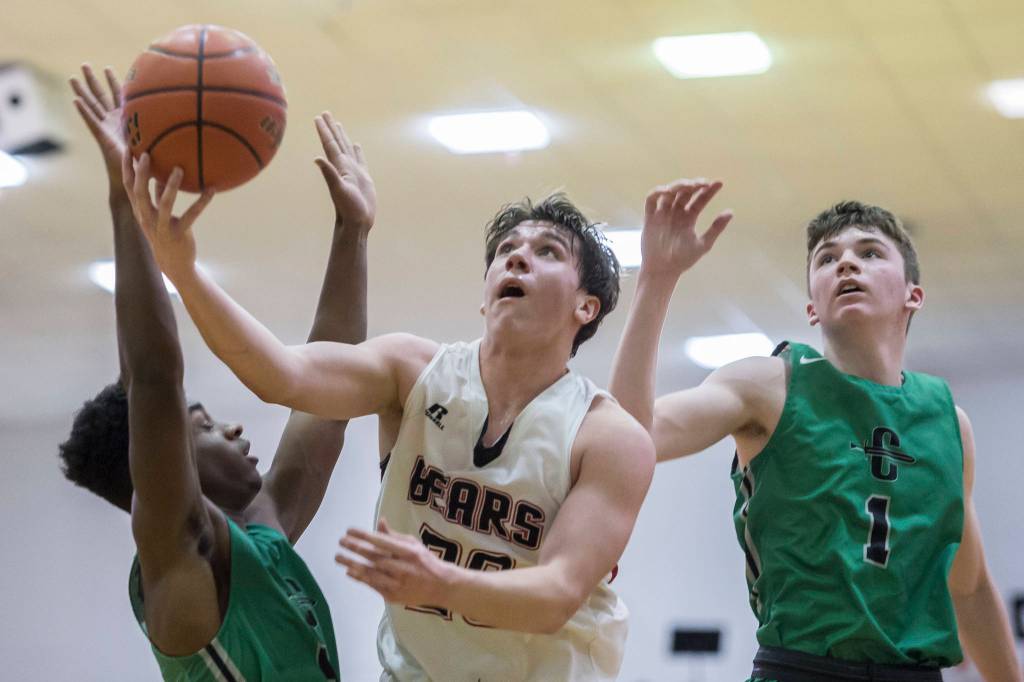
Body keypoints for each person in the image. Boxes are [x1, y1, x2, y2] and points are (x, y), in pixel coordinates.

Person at [124, 153, 656, 680]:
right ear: (485, 293)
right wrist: (185, 273)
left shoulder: (608, 437)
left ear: (586, 307)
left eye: (547, 252)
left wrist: (440, 584)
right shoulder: (412, 371)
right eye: (506, 250)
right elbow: (281, 374)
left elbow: (556, 595)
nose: (517, 259)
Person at [608, 179, 1023, 682]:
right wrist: (657, 279)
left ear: (913, 294)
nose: (846, 263)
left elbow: (968, 585)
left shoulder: (950, 424)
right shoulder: (767, 385)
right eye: (827, 259)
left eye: (870, 253)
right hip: (800, 669)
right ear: (812, 308)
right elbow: (630, 436)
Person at [59, 64, 375, 680]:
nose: (231, 430)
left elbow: (326, 401)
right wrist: (126, 200)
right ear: (161, 456)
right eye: (202, 424)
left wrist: (352, 232)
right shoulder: (179, 565)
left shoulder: (260, 533)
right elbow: (152, 379)